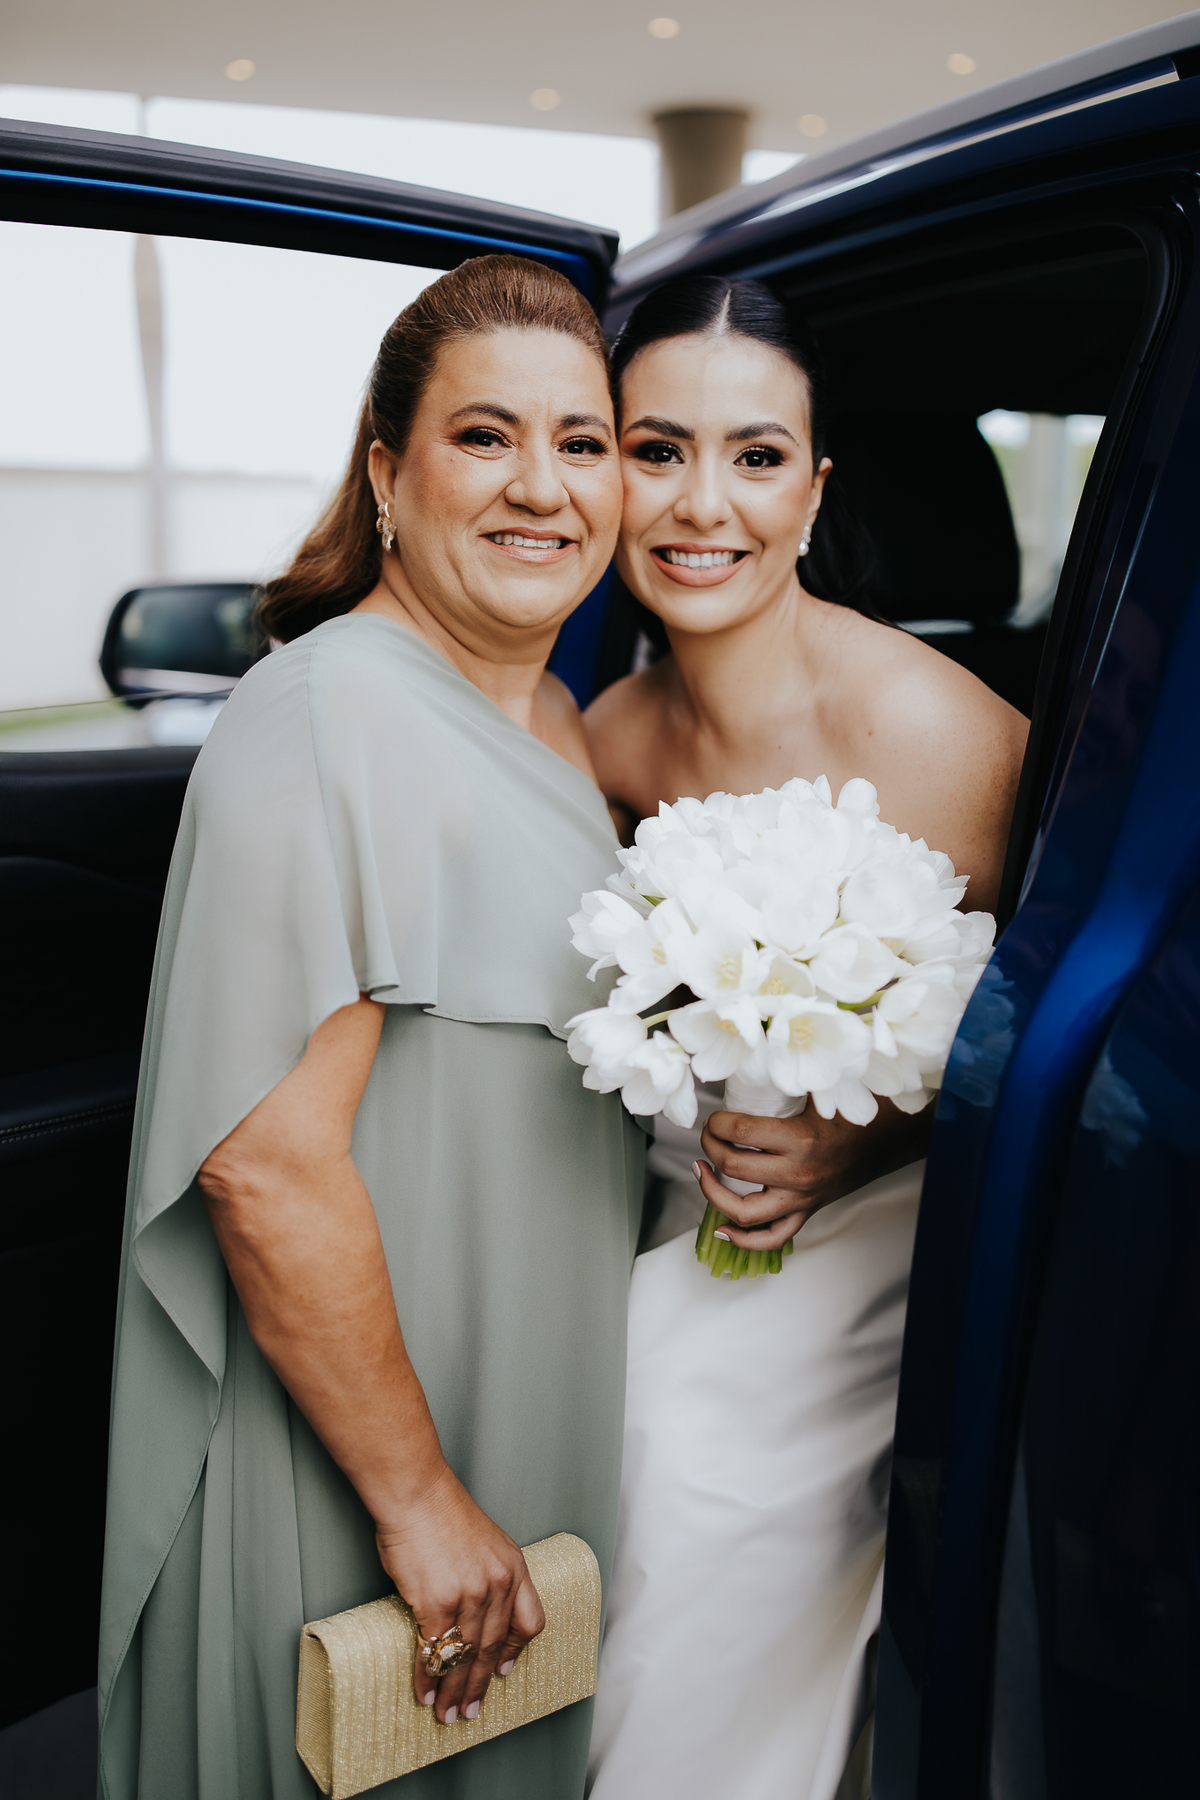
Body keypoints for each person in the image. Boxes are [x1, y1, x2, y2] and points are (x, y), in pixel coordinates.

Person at [97, 255, 645, 1800]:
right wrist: (416, 1500)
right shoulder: (329, 713)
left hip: (527, 1382)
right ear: (389, 476)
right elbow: (264, 1165)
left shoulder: (562, 725)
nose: (543, 486)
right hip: (372, 1443)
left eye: (584, 442)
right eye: (485, 438)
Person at [584, 276, 1028, 1798]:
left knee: (672, 1435)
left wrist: (865, 1138)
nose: (702, 506)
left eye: (757, 457)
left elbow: (1072, 1035)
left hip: (889, 1230)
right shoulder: (606, 739)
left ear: (817, 488)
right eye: (657, 451)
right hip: (672, 1202)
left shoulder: (938, 732)